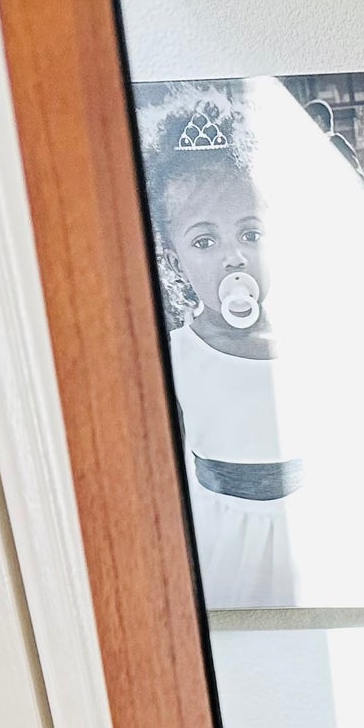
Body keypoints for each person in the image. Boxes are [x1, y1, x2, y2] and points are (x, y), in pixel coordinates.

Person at [140, 90, 303, 608]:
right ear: (175, 259)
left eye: (250, 234)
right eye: (204, 242)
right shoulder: (176, 357)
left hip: (311, 532)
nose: (234, 257)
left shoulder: (311, 346)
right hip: (226, 545)